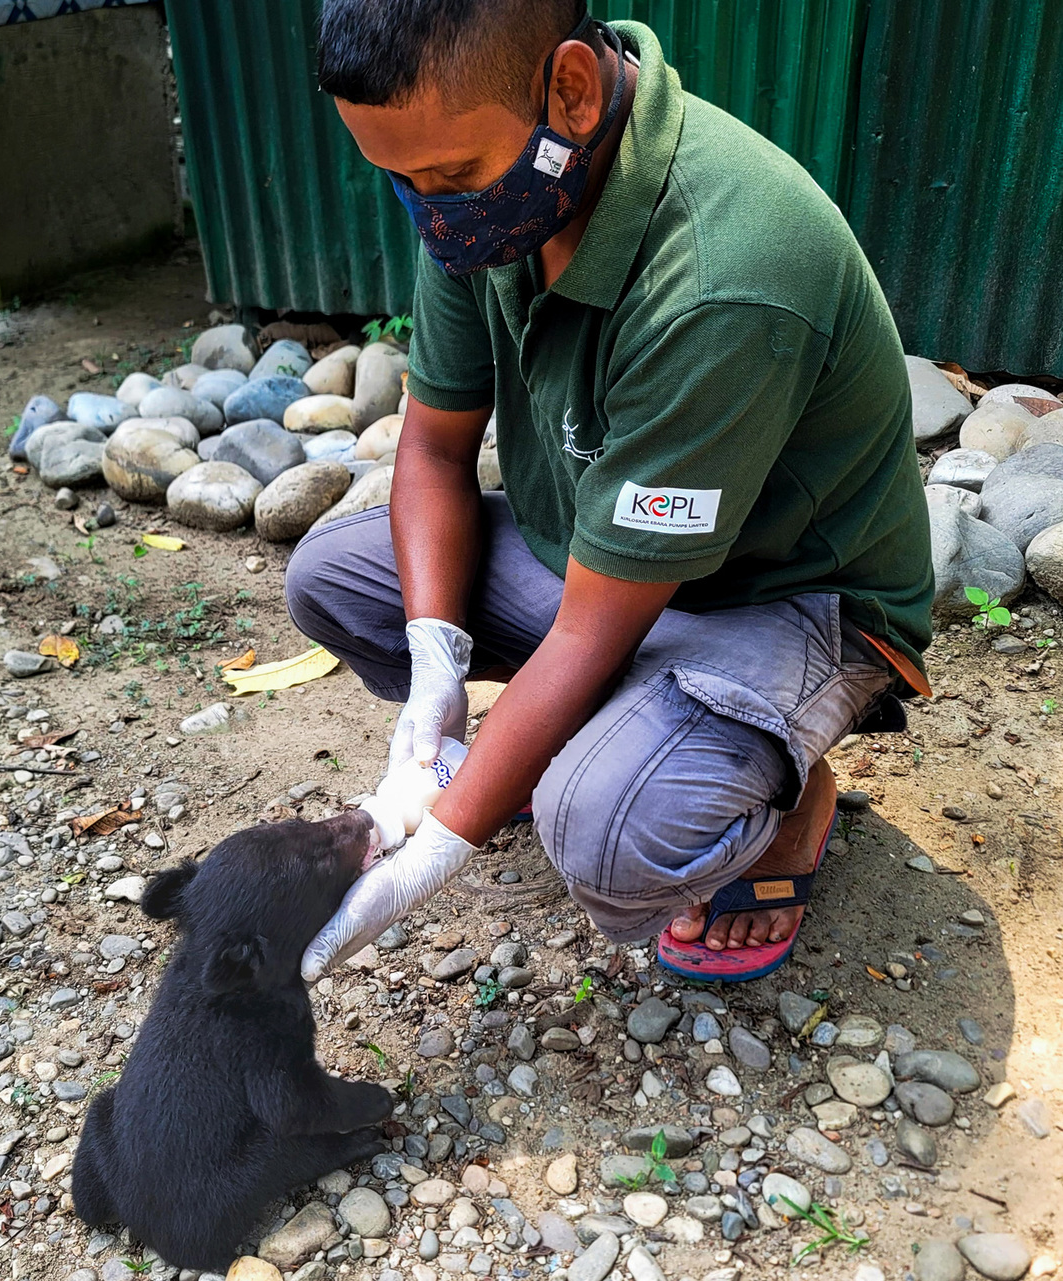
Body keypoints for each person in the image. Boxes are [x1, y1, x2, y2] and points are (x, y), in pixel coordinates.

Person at [287, 0, 933, 985]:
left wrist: (428, 858)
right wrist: (434, 661)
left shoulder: (727, 275)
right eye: (399, 179)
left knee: (604, 835)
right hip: (605, 564)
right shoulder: (488, 187)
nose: (428, 211)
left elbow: (589, 633)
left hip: (783, 600)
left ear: (573, 92)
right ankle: (623, 733)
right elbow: (431, 454)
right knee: (337, 580)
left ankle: (780, 803)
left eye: (448, 179)